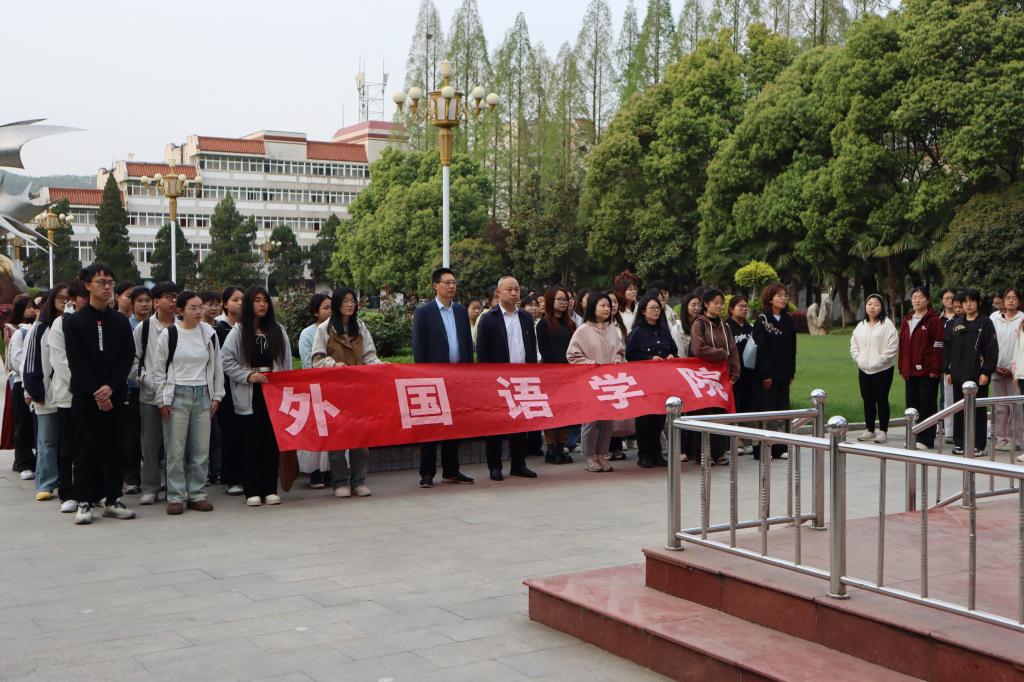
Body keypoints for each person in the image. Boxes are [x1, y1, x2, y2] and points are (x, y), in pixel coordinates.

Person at [62, 263, 136, 525]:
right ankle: (84, 501)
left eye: (110, 282)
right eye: (101, 282)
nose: (107, 287)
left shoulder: (120, 321)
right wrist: (96, 390)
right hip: (86, 396)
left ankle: (112, 499)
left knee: (115, 448)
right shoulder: (75, 321)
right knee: (85, 449)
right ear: (87, 285)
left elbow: (127, 357)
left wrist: (111, 387)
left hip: (114, 394)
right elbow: (76, 361)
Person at [150, 291, 224, 515]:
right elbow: (158, 371)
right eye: (193, 308)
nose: (199, 311)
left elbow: (217, 367)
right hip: (177, 395)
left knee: (201, 449)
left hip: (203, 395)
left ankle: (197, 494)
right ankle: (176, 496)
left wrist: (217, 396)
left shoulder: (209, 333)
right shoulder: (170, 334)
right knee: (175, 450)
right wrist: (162, 400)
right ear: (180, 311)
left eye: (200, 307)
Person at [221, 286, 292, 506]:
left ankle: (270, 488)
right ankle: (251, 490)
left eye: (265, 301)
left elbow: (286, 362)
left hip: (273, 391)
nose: (262, 305)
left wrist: (283, 385)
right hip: (249, 392)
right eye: (257, 300)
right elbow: (226, 361)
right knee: (250, 441)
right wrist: (247, 375)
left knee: (270, 441)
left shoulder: (278, 330)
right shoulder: (239, 331)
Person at [311, 286, 382, 498]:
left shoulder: (360, 326)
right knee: (337, 440)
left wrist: (380, 366)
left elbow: (369, 355)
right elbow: (316, 359)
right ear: (337, 304)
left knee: (361, 440)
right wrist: (333, 364)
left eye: (353, 301)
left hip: (359, 391)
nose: (350, 305)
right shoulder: (324, 329)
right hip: (334, 392)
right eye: (345, 301)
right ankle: (339, 482)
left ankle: (359, 481)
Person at [411, 268, 475, 487]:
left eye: (454, 282)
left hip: (457, 378)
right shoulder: (424, 312)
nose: (452, 286)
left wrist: (468, 374)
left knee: (454, 425)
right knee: (431, 425)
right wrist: (423, 376)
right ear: (435, 286)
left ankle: (451, 470)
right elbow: (419, 347)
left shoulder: (460, 311)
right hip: (432, 378)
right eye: (447, 282)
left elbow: (466, 344)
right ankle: (426, 473)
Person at [476, 276, 539, 481]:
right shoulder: (489, 318)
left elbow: (531, 347)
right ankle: (495, 466)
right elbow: (482, 352)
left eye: (517, 289)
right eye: (509, 289)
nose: (514, 293)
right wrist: (487, 380)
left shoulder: (526, 317)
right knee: (496, 423)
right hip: (498, 380)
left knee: (520, 424)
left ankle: (519, 464)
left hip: (522, 378)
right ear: (499, 292)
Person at [131, 281, 180, 505]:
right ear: (156, 301)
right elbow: (134, 360)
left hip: (178, 394)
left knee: (175, 445)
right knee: (150, 444)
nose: (174, 300)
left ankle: (174, 486)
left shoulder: (183, 326)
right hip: (150, 396)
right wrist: (144, 379)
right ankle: (150, 487)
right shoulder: (143, 329)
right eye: (168, 296)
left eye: (176, 296)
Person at [567, 292, 624, 472]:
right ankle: (590, 456)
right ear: (593, 307)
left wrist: (617, 360)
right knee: (590, 421)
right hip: (590, 382)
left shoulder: (612, 329)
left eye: (608, 306)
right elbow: (572, 355)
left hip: (609, 382)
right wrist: (591, 364)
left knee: (607, 420)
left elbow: (620, 351)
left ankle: (602, 454)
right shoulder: (582, 330)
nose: (607, 309)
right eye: (603, 305)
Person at [23, 286, 68, 501]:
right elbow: (31, 361)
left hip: (69, 394)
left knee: (69, 442)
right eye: (60, 297)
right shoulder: (40, 328)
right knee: (47, 442)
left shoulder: (74, 323)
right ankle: (46, 483)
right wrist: (35, 390)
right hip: (47, 394)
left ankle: (67, 481)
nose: (65, 301)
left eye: (68, 297)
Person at [47, 280, 88, 513]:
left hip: (94, 394)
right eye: (84, 297)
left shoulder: (97, 320)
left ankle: (91, 490)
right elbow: (59, 360)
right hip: (69, 394)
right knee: (69, 447)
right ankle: (68, 492)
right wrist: (83, 384)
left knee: (92, 445)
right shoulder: (61, 323)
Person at [688, 288, 741, 464]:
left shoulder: (725, 326)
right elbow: (698, 348)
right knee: (703, 414)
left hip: (721, 376)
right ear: (706, 304)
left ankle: (719, 452)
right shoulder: (699, 324)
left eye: (721, 303)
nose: (719, 306)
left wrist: (735, 371)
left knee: (720, 412)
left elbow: (732, 349)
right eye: (715, 303)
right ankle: (702, 454)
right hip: (702, 377)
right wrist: (720, 353)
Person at [626, 292, 678, 467]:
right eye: (652, 308)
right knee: (645, 418)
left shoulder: (664, 332)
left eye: (658, 308)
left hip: (663, 381)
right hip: (645, 381)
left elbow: (674, 350)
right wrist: (648, 359)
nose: (656, 311)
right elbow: (630, 355)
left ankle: (657, 453)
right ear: (643, 311)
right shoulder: (636, 333)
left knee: (659, 418)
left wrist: (671, 356)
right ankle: (644, 454)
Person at [944, 288, 998, 456]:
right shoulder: (956, 323)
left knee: (978, 411)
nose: (968, 304)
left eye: (972, 301)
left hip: (977, 375)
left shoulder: (985, 323)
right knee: (959, 409)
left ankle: (978, 445)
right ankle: (959, 442)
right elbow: (947, 348)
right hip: (958, 374)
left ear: (978, 303)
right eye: (965, 302)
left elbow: (992, 349)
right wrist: (947, 370)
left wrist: (986, 372)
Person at [751, 283, 796, 460]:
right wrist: (765, 375)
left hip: (784, 374)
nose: (783, 298)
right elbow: (761, 350)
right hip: (767, 376)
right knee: (767, 410)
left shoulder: (787, 320)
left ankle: (780, 447)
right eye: (779, 295)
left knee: (782, 410)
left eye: (785, 295)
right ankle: (762, 448)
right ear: (770, 299)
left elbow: (792, 348)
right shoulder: (763, 320)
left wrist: (791, 372)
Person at [898, 286, 944, 450]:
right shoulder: (907, 320)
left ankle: (926, 439)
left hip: (928, 372)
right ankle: (913, 436)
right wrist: (902, 367)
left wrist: (935, 369)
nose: (917, 300)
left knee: (927, 405)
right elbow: (903, 345)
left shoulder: (934, 320)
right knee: (912, 404)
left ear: (928, 300)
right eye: (914, 297)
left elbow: (938, 345)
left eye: (921, 297)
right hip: (910, 371)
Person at [850, 294, 899, 444]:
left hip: (883, 370)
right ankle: (869, 429)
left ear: (882, 307)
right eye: (869, 304)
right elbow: (854, 345)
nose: (872, 307)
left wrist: (879, 361)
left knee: (881, 399)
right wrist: (859, 359)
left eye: (876, 304)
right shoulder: (861, 325)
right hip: (864, 369)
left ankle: (883, 431)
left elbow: (892, 346)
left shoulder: (887, 325)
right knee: (867, 399)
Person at [296, 292, 333, 487]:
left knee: (334, 431)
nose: (330, 311)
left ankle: (332, 471)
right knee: (317, 432)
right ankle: (316, 472)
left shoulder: (337, 331)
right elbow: (308, 363)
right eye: (326, 308)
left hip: (335, 388)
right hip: (315, 389)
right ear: (315, 312)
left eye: (332, 307)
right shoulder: (307, 334)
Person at [536, 286, 575, 465]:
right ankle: (551, 449)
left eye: (565, 299)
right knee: (551, 412)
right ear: (551, 301)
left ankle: (561, 447)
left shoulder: (570, 324)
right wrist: (559, 367)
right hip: (551, 375)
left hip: (569, 375)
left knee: (565, 412)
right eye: (559, 299)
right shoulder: (543, 324)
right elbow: (544, 350)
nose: (563, 302)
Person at [215, 286, 245, 495]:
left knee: (245, 434)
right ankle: (230, 478)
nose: (240, 303)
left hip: (246, 385)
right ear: (225, 303)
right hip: (225, 388)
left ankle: (246, 476)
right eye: (235, 299)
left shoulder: (248, 327)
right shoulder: (218, 329)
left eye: (243, 299)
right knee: (230, 435)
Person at [6, 296, 37, 479]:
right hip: (20, 382)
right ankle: (23, 462)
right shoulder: (18, 331)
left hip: (36, 382)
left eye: (34, 307)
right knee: (22, 423)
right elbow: (16, 360)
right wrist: (32, 371)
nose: (32, 310)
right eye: (28, 307)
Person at [990, 287, 1023, 451]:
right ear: (1003, 300)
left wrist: (1012, 368)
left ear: (1019, 301)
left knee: (1015, 406)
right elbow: (989, 343)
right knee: (999, 406)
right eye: (1008, 297)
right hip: (996, 368)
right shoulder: (994, 318)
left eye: (1014, 298)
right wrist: (994, 365)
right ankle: (1000, 438)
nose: (1010, 300)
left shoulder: (1022, 319)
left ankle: (1015, 439)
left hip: (1015, 371)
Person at [726, 295, 755, 455]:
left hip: (749, 374)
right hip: (734, 374)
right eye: (740, 306)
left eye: (746, 306)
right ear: (731, 309)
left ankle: (747, 440)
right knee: (734, 407)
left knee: (748, 407)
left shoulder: (749, 327)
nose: (744, 309)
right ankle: (734, 442)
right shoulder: (727, 326)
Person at [939, 287, 958, 442]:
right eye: (946, 298)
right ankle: (946, 426)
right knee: (944, 396)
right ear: (942, 301)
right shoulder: (939, 319)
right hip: (944, 363)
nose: (949, 301)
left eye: (952, 297)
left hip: (958, 363)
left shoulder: (961, 317)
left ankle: (956, 427)